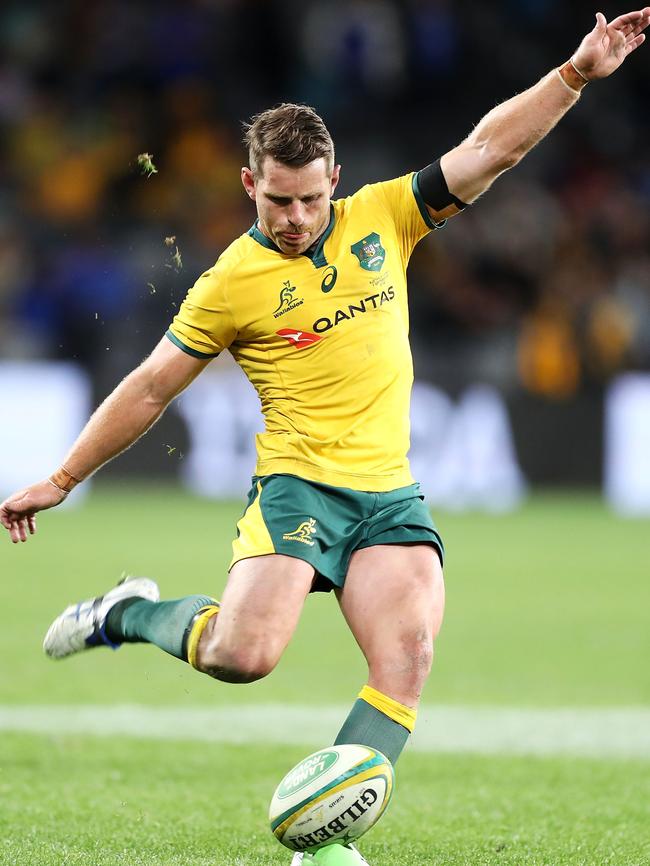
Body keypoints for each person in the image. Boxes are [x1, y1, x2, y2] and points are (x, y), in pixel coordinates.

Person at [2, 10, 649, 865]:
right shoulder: (231, 281)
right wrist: (64, 474)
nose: (299, 217)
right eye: (280, 200)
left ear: (335, 179)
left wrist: (573, 75)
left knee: (409, 656)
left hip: (388, 493)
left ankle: (325, 841)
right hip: (300, 487)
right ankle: (130, 611)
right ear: (248, 185)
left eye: (312, 198)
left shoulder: (385, 216)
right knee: (242, 657)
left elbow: (494, 148)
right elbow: (154, 385)